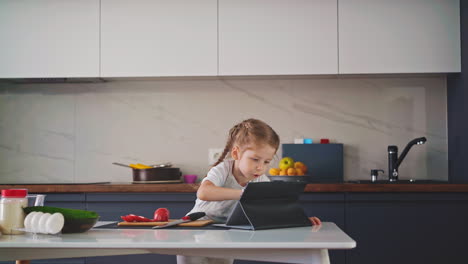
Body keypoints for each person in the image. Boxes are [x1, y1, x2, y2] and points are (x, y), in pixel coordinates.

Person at [177, 118, 321, 264]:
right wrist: (244, 194)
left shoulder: (260, 179)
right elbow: (204, 192)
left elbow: (273, 208)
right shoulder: (223, 169)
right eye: (255, 159)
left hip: (226, 234)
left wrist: (299, 220)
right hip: (195, 231)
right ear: (236, 154)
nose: (260, 167)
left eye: (266, 162)